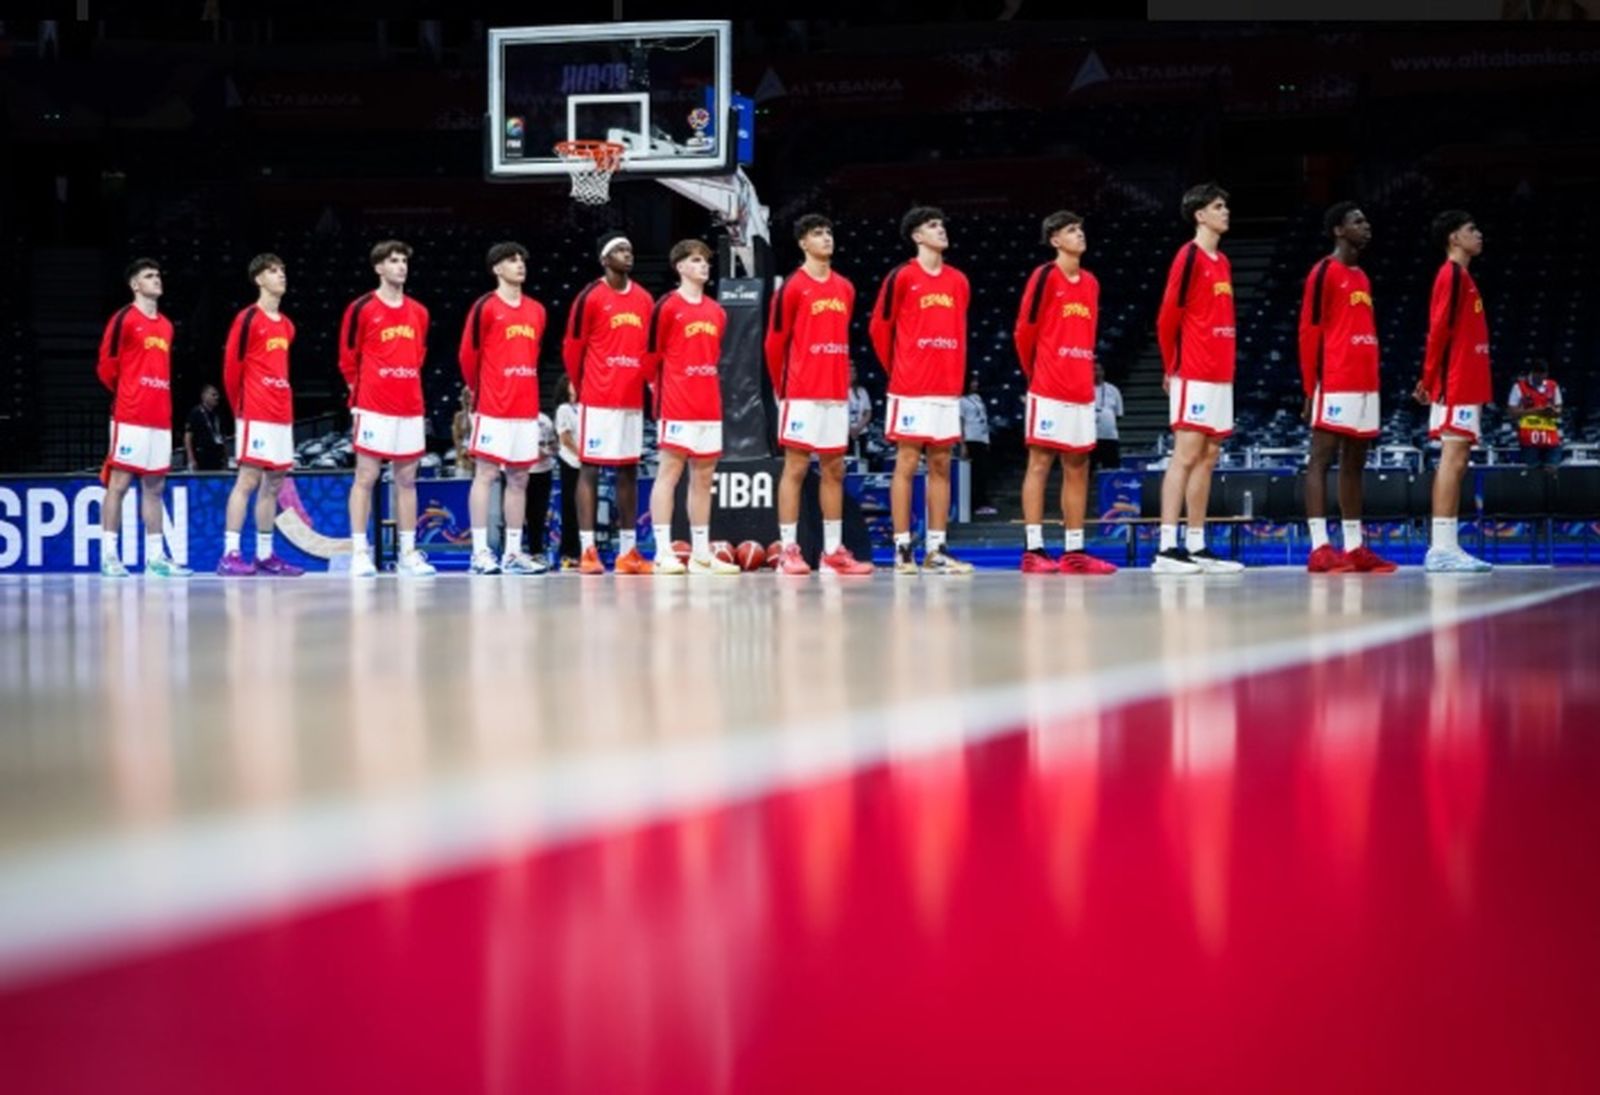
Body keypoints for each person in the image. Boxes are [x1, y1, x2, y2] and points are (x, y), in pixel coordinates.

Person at [764, 213, 873, 575]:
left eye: (828, 232)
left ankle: (831, 552)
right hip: (802, 392)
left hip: (834, 391)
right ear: (802, 243)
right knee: (795, 467)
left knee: (834, 469)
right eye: (817, 234)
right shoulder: (793, 286)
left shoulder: (844, 287)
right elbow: (774, 342)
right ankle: (788, 550)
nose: (826, 238)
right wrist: (782, 391)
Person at [1012, 210, 1118, 576]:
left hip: (1080, 388)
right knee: (1040, 464)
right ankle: (1034, 549)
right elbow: (1023, 332)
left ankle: (1074, 552)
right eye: (1072, 230)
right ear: (1055, 240)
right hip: (1049, 385)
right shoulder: (1044, 276)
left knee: (1079, 466)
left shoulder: (1090, 282)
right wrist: (1036, 374)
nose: (1080, 235)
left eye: (1081, 228)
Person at [869, 206, 974, 575]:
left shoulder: (959, 280)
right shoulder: (902, 276)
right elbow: (879, 328)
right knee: (907, 463)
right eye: (932, 225)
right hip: (911, 385)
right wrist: (899, 369)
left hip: (946, 386)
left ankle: (937, 549)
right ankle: (902, 548)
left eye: (942, 224)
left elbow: (960, 332)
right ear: (916, 236)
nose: (941, 229)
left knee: (942, 464)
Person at [1297, 202, 1397, 574]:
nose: (1366, 226)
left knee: (1356, 463)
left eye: (1367, 220)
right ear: (1339, 230)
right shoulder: (1323, 271)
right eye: (1358, 221)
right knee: (1321, 458)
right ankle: (1320, 547)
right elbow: (1309, 332)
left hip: (1365, 381)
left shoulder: (1362, 277)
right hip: (1334, 378)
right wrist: (1310, 387)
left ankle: (1354, 547)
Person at [1153, 182, 1244, 574]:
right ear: (1200, 214)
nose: (1226, 212)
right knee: (1186, 455)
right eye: (1218, 206)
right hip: (1193, 369)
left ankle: (1196, 544)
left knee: (1209, 457)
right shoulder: (1187, 256)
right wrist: (1171, 366)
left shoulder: (1221, 261)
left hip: (1221, 372)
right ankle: (1166, 548)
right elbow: (1167, 316)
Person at [339, 239, 436, 577]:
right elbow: (348, 358)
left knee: (407, 480)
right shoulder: (361, 308)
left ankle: (408, 553)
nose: (401, 266)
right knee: (365, 476)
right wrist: (360, 395)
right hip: (373, 406)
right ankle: (359, 553)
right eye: (393, 261)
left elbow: (419, 355)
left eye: (404, 261)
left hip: (409, 405)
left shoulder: (420, 312)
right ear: (378, 267)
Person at [563, 232, 655, 575]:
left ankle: (628, 552)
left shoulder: (645, 299)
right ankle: (588, 550)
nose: (627, 254)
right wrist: (583, 385)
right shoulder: (590, 296)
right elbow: (572, 347)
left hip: (631, 397)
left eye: (630, 249)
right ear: (604, 259)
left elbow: (649, 348)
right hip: (598, 397)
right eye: (619, 250)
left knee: (628, 470)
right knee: (590, 468)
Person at [646, 238, 739, 576]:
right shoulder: (667, 306)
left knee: (703, 478)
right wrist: (660, 393)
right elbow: (651, 356)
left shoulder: (717, 311)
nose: (704, 265)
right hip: (677, 404)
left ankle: (701, 554)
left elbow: (713, 357)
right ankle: (661, 551)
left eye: (706, 261)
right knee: (668, 474)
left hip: (708, 404)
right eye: (697, 260)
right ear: (681, 266)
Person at [96, 258, 190, 577]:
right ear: (135, 285)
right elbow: (106, 367)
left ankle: (155, 559)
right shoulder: (123, 319)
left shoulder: (166, 325)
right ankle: (109, 555)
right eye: (149, 276)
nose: (157, 279)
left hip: (160, 417)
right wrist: (128, 393)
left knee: (155, 487)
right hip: (131, 415)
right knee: (119, 484)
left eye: (158, 275)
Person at [458, 240, 548, 576]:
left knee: (520, 478)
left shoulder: (537, 310)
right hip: (492, 405)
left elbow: (533, 354)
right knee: (486, 474)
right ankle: (480, 552)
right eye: (511, 260)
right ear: (497, 268)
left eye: (522, 259)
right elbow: (468, 356)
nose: (520, 264)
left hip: (525, 407)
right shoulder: (485, 307)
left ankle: (512, 553)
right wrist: (481, 392)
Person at [216, 253, 305, 577]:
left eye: (282, 270)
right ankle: (230, 553)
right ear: (259, 279)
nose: (281, 275)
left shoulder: (287, 325)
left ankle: (265, 555)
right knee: (248, 480)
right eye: (273, 271)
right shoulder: (248, 318)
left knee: (274, 484)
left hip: (281, 412)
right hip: (254, 410)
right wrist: (240, 407)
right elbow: (231, 368)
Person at [1414, 210, 1493, 573]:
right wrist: (1429, 380)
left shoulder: (1464, 277)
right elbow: (1437, 330)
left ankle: (1448, 546)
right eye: (1471, 229)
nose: (1479, 234)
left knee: (1459, 461)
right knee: (1452, 458)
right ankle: (1441, 548)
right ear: (1453, 238)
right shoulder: (1451, 275)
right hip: (1455, 381)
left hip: (1469, 381)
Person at [1508, 358, 1563, 469]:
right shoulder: (1519, 387)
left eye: (1544, 376)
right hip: (1529, 437)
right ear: (1533, 373)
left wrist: (1553, 411)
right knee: (1533, 472)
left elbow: (1559, 409)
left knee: (1552, 470)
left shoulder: (1553, 386)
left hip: (1550, 436)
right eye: (1539, 376)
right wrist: (1535, 411)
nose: (1541, 379)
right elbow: (1512, 413)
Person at [553, 376, 582, 569]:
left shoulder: (585, 407)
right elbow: (565, 438)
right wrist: (581, 454)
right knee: (570, 508)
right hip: (570, 461)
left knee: (586, 508)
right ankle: (568, 552)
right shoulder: (564, 409)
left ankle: (585, 549)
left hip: (587, 464)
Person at [958, 375, 996, 516]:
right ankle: (975, 504)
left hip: (982, 438)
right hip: (970, 439)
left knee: (982, 473)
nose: (976, 383)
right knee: (975, 474)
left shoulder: (977, 398)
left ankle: (982, 502)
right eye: (973, 381)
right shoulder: (960, 401)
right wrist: (962, 444)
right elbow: (960, 421)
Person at [526, 408, 557, 563]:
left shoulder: (544, 419)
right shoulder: (514, 418)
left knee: (538, 514)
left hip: (543, 469)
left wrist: (550, 449)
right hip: (520, 471)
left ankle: (536, 551)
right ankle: (512, 550)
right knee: (518, 514)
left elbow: (552, 442)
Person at [184, 383, 227, 471]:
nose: (216, 397)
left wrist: (226, 457)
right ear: (204, 396)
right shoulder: (195, 412)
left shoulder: (217, 414)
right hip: (201, 457)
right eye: (213, 395)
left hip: (217, 457)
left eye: (217, 395)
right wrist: (191, 459)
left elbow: (223, 437)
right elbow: (188, 437)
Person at [1091, 362, 1123, 472]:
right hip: (1089, 438)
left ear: (1103, 372)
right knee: (1087, 470)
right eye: (1094, 370)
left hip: (1109, 436)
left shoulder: (1113, 390)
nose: (1097, 373)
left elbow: (1118, 414)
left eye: (1099, 370)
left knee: (1111, 469)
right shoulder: (1083, 388)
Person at [847, 365, 873, 460]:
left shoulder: (862, 391)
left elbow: (868, 412)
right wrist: (849, 428)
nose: (852, 374)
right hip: (843, 432)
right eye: (849, 372)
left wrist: (858, 427)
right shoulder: (837, 390)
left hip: (861, 431)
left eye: (854, 372)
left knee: (861, 458)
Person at [451, 385, 475, 478]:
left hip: (480, 456)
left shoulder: (484, 416)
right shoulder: (459, 417)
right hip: (464, 456)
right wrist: (463, 451)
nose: (469, 400)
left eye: (471, 396)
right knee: (461, 472)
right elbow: (457, 438)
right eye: (466, 397)